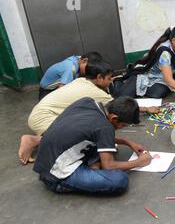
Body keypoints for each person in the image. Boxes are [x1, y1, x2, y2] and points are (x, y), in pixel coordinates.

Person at [18, 59, 159, 165]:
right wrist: (146, 109)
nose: (111, 82)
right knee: (68, 136)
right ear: (99, 77)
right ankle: (34, 140)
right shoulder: (97, 94)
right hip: (44, 117)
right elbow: (120, 105)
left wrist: (126, 142)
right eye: (109, 78)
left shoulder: (81, 81)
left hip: (39, 110)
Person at [33, 96, 152, 195]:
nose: (121, 128)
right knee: (120, 180)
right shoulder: (105, 127)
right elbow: (109, 166)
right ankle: (68, 182)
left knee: (107, 146)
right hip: (56, 175)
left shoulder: (87, 102)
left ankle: (92, 166)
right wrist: (140, 161)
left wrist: (128, 142)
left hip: (46, 159)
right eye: (123, 125)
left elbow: (93, 132)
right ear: (113, 118)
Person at [110, 25, 175, 101]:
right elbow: (169, 80)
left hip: (163, 76)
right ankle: (124, 82)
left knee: (160, 92)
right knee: (122, 98)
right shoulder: (165, 52)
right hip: (149, 75)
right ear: (174, 41)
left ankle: (138, 89)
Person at [38, 52, 102, 100]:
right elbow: (61, 90)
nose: (89, 70)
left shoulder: (78, 58)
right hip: (47, 91)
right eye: (88, 68)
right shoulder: (70, 68)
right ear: (84, 60)